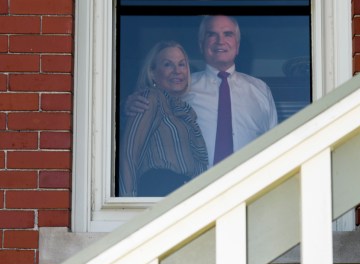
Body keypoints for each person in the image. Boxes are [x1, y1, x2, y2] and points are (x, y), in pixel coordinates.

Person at [126, 15, 278, 166]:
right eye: (211, 34)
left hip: (250, 185)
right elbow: (147, 116)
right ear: (201, 45)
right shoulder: (182, 87)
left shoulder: (261, 90)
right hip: (194, 186)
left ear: (237, 45)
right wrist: (127, 107)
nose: (220, 41)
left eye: (228, 34)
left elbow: (274, 147)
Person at [119, 41, 208, 197]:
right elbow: (128, 153)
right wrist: (127, 202)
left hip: (185, 192)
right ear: (152, 72)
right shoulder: (151, 98)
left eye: (182, 65)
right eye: (168, 65)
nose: (177, 71)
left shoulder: (185, 109)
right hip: (160, 189)